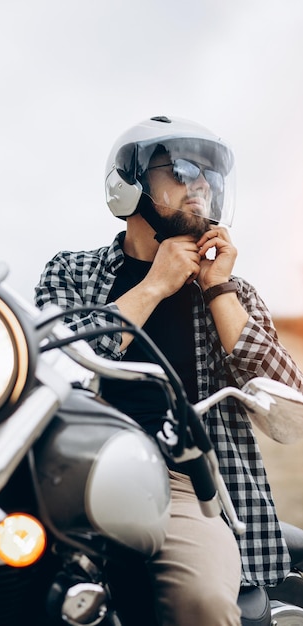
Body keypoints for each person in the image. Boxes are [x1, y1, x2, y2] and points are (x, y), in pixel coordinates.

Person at [34, 115, 303, 625]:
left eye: (208, 175)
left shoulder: (234, 291)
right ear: (129, 187)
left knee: (200, 603)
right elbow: (54, 362)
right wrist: (154, 285)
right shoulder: (70, 270)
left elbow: (291, 408)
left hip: (177, 476)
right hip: (67, 464)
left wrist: (218, 289)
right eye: (181, 169)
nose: (200, 183)